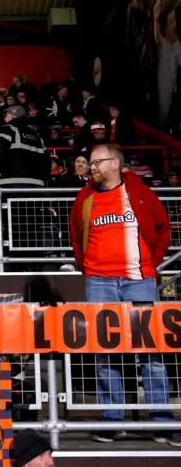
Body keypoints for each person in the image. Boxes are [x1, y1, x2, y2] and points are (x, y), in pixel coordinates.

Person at [69, 143, 180, 446]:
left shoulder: (140, 193)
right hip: (100, 282)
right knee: (106, 352)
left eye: (96, 162)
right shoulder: (85, 197)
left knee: (151, 352)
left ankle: (161, 420)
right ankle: (112, 419)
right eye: (90, 162)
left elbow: (161, 229)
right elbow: (77, 236)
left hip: (138, 281)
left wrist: (151, 264)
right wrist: (88, 268)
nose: (91, 167)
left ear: (115, 164)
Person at [0, 106, 50, 188]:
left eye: (6, 115)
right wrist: (43, 179)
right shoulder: (37, 136)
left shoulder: (7, 129)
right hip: (36, 187)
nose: (5, 118)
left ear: (13, 115)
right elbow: (47, 160)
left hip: (11, 185)